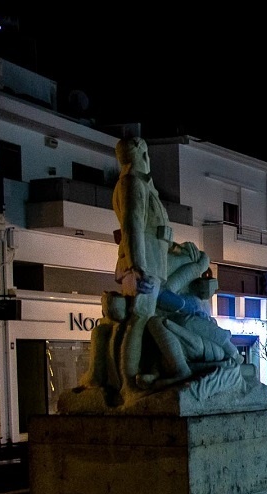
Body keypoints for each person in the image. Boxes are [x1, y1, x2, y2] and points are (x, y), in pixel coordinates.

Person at [111, 136, 212, 394]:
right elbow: (132, 226)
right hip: (145, 265)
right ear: (143, 155)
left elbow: (152, 231)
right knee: (140, 319)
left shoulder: (142, 184)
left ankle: (149, 372)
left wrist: (177, 248)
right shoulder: (132, 183)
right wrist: (138, 267)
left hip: (154, 261)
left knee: (146, 319)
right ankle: (128, 383)